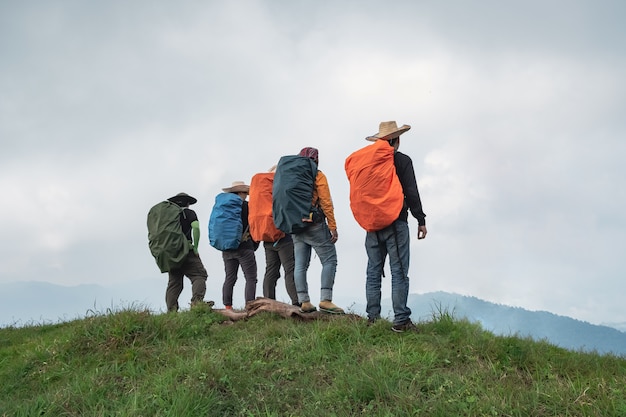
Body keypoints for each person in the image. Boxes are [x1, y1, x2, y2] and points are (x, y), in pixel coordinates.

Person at [364, 121, 427, 332]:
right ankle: (401, 320)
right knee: (399, 271)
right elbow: (411, 191)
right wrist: (421, 219)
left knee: (373, 271)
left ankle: (372, 318)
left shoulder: (368, 164)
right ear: (397, 139)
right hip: (395, 222)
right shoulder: (402, 161)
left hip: (372, 223)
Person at [292, 147, 344, 314]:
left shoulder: (292, 176)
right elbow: (326, 202)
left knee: (300, 265)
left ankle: (304, 301)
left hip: (295, 225)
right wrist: (333, 226)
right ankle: (326, 300)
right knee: (330, 260)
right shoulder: (318, 175)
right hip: (314, 224)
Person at [165, 192, 209, 312]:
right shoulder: (189, 213)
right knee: (199, 276)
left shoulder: (169, 216)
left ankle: (171, 311)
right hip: (186, 250)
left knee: (174, 282)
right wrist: (195, 246)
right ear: (188, 203)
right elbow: (196, 228)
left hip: (171, 253)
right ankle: (196, 304)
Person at [220, 181, 258, 309]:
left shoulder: (225, 207)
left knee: (230, 277)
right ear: (240, 193)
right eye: (245, 193)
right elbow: (253, 225)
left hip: (227, 247)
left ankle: (228, 307)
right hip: (244, 246)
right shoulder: (247, 206)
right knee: (251, 278)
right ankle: (250, 306)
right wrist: (254, 244)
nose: (246, 196)